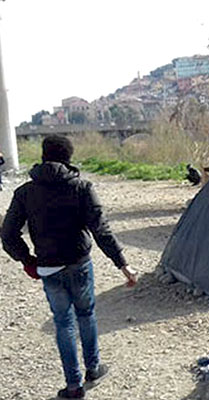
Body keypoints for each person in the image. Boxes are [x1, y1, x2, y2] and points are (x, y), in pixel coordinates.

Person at [1, 135, 138, 399]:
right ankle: (94, 368)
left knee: (63, 323)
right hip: (79, 264)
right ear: (69, 158)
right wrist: (123, 264)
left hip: (48, 269)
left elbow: (7, 235)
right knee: (86, 315)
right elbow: (101, 230)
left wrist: (28, 260)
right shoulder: (82, 187)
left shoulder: (24, 193)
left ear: (43, 156)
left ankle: (73, 386)